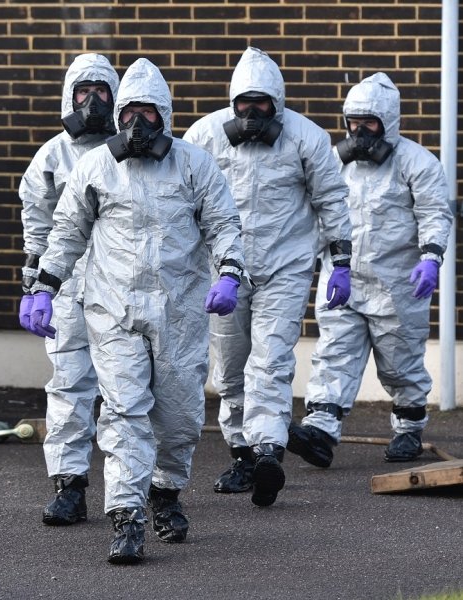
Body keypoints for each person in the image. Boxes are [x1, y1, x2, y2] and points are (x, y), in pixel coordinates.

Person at [24, 57, 245, 564]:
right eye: (130, 114)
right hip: (113, 309)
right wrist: (43, 287)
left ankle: (165, 495)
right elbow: (66, 232)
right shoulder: (95, 165)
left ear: (164, 114)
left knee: (180, 414)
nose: (137, 125)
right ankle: (125, 517)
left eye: (148, 113)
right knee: (124, 411)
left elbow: (224, 224)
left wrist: (230, 273)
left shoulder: (194, 165)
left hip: (181, 311)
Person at [182, 47, 352, 507]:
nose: (251, 112)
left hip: (285, 267)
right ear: (232, 100)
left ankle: (269, 451)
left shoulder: (306, 138)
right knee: (231, 364)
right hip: (223, 273)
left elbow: (332, 200)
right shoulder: (205, 136)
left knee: (271, 360)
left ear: (276, 101)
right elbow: (180, 198)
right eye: (244, 103)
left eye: (261, 102)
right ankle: (242, 453)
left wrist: (341, 262)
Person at [287, 73, 452, 467]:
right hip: (343, 279)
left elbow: (434, 213)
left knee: (401, 365)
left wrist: (431, 257)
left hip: (399, 285)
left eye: (370, 123)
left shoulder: (416, 163)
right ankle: (321, 431)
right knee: (333, 354)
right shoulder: (333, 162)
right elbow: (316, 211)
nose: (360, 132)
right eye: (354, 122)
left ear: (388, 122)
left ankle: (409, 430)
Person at [17, 53, 119, 530]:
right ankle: (69, 485)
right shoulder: (52, 157)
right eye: (84, 92)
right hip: (66, 286)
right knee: (68, 385)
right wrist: (33, 286)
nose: (93, 101)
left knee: (130, 391)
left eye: (102, 91)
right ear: (69, 96)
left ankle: (141, 490)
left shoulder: (135, 151)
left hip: (123, 286)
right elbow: (36, 229)